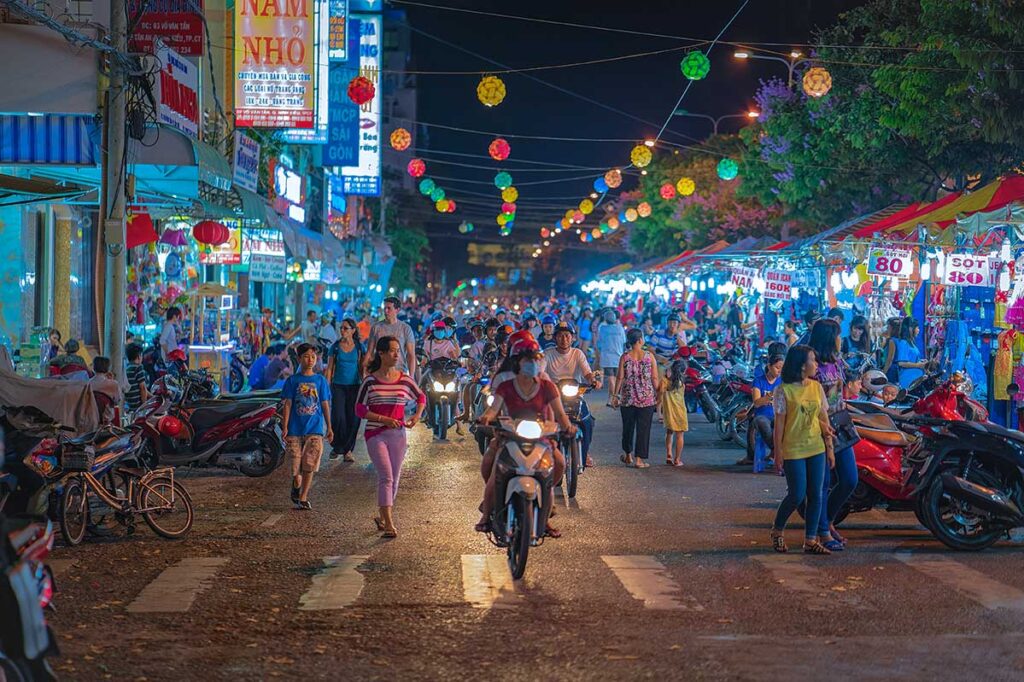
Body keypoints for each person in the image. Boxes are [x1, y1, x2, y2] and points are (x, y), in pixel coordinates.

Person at [477, 336, 574, 537]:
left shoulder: (547, 385)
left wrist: (567, 427)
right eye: (528, 359)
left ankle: (545, 519)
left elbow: (560, 413)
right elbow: (493, 409)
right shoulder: (505, 384)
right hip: (508, 436)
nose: (533, 363)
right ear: (517, 361)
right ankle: (486, 516)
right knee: (495, 470)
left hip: (541, 438)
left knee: (557, 466)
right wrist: (486, 418)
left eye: (536, 359)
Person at [355, 336, 426, 538]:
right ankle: (389, 524)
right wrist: (382, 419)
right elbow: (359, 409)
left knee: (395, 478)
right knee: (386, 476)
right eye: (393, 351)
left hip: (398, 434)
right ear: (382, 353)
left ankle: (382, 515)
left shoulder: (404, 378)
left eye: (398, 350)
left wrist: (416, 416)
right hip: (375, 434)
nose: (397, 354)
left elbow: (421, 397)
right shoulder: (370, 381)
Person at [770, 345, 836, 555]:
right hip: (793, 449)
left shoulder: (816, 388)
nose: (816, 364)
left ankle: (810, 539)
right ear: (801, 365)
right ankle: (778, 530)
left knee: (816, 494)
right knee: (797, 494)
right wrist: (778, 453)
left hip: (816, 447)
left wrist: (830, 449)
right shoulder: (783, 390)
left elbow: (824, 419)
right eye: (813, 360)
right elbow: (779, 425)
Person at [807, 319, 858, 552]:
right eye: (838, 334)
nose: (841, 338)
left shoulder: (837, 361)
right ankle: (823, 532)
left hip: (842, 424)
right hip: (820, 428)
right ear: (829, 337)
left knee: (849, 479)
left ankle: (827, 520)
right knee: (823, 483)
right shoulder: (811, 363)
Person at [281, 344, 333, 510]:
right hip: (295, 429)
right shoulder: (292, 381)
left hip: (315, 429)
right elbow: (288, 404)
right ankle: (296, 483)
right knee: (295, 465)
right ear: (298, 359)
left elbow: (325, 404)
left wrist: (329, 427)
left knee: (310, 463)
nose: (310, 360)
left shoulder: (320, 381)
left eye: (313, 356)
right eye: (306, 356)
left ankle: (303, 497)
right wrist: (285, 426)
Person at [543, 322, 602, 467]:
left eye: (567, 336)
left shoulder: (577, 353)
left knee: (588, 420)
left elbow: (587, 372)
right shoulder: (548, 354)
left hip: (575, 395)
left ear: (572, 338)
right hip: (553, 396)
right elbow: (541, 372)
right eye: (561, 336)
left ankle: (585, 450)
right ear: (555, 338)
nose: (564, 339)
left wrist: (593, 381)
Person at [612, 328, 660, 468]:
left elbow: (620, 377)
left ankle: (628, 455)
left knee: (628, 428)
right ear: (640, 340)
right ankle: (639, 460)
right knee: (643, 430)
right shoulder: (649, 356)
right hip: (647, 399)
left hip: (628, 399)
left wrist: (615, 395)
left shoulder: (625, 357)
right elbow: (655, 378)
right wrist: (659, 392)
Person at [325, 318, 365, 462]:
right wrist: (326, 387)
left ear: (353, 330)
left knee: (353, 418)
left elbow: (362, 368)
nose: (342, 330)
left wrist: (366, 385)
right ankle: (337, 446)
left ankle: (348, 450)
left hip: (355, 387)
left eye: (346, 328)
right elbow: (329, 368)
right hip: (338, 386)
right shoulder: (334, 347)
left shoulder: (360, 347)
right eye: (341, 328)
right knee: (338, 417)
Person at [741, 350, 784, 467]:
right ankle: (776, 450)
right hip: (762, 415)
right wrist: (770, 395)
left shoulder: (782, 382)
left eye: (781, 368)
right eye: (777, 367)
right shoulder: (759, 381)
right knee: (761, 422)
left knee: (783, 424)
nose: (779, 370)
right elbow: (757, 403)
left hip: (778, 415)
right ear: (769, 366)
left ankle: (775, 452)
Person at [364, 296, 417, 378]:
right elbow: (369, 352)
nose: (386, 311)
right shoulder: (376, 328)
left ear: (397, 310)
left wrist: (412, 376)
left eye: (389, 308)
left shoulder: (405, 329)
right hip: (380, 372)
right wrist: (365, 371)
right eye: (384, 308)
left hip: (400, 372)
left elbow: (411, 355)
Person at [659, 359, 688, 467]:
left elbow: (660, 391)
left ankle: (669, 454)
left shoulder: (666, 381)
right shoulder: (681, 383)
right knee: (680, 435)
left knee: (669, 432)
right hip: (680, 412)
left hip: (669, 411)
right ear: (683, 371)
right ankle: (677, 459)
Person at [596, 310, 627, 407]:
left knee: (611, 378)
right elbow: (624, 342)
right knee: (618, 378)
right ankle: (614, 398)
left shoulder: (603, 329)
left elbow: (599, 343)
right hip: (619, 356)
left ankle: (614, 398)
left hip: (607, 356)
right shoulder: (620, 328)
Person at [888, 317, 926, 389]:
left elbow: (911, 359)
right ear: (911, 329)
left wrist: (921, 362)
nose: (918, 330)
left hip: (915, 378)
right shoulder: (904, 343)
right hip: (908, 379)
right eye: (917, 328)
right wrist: (918, 365)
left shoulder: (911, 342)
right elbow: (901, 363)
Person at [124, 344, 149, 413]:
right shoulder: (138, 367)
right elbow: (143, 388)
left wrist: (153, 396)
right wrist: (144, 406)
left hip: (131, 405)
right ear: (139, 356)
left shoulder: (127, 368)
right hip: (138, 405)